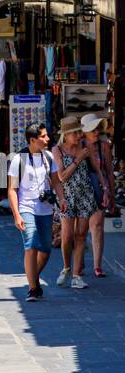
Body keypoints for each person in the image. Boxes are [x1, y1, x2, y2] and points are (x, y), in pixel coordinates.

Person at [7, 123, 55, 303]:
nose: (47, 139)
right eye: (43, 136)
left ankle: (32, 278)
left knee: (46, 250)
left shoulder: (48, 157)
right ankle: (33, 288)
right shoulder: (19, 160)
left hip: (45, 209)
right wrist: (16, 215)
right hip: (26, 208)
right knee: (31, 245)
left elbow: (56, 182)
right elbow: (12, 190)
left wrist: (62, 199)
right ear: (33, 140)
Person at [50, 116, 95, 290]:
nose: (79, 135)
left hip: (85, 194)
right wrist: (78, 159)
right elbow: (61, 176)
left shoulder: (85, 147)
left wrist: (105, 188)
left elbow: (96, 169)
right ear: (66, 135)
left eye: (79, 132)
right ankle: (66, 268)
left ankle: (76, 275)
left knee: (81, 235)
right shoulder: (57, 150)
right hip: (66, 196)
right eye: (75, 132)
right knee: (67, 236)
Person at [81, 113, 114, 278]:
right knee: (79, 230)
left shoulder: (103, 146)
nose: (96, 133)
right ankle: (78, 262)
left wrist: (112, 195)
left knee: (97, 226)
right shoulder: (78, 145)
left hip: (99, 190)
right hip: (80, 191)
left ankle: (97, 265)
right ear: (85, 131)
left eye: (98, 129)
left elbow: (109, 171)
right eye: (92, 130)